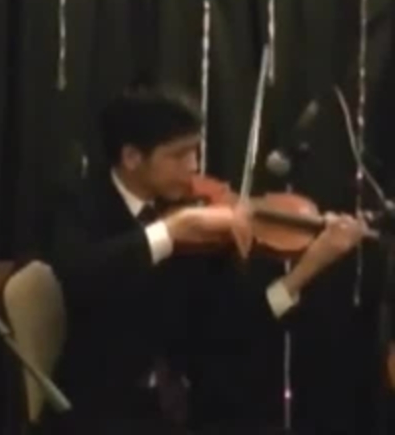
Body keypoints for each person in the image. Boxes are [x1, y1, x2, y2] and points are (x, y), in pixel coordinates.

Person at [44, 83, 365, 434]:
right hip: (97, 407)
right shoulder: (79, 202)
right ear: (132, 157)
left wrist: (308, 268)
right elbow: (79, 277)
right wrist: (172, 230)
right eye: (179, 155)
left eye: (195, 151)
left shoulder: (198, 216)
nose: (194, 166)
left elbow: (233, 324)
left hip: (181, 410)